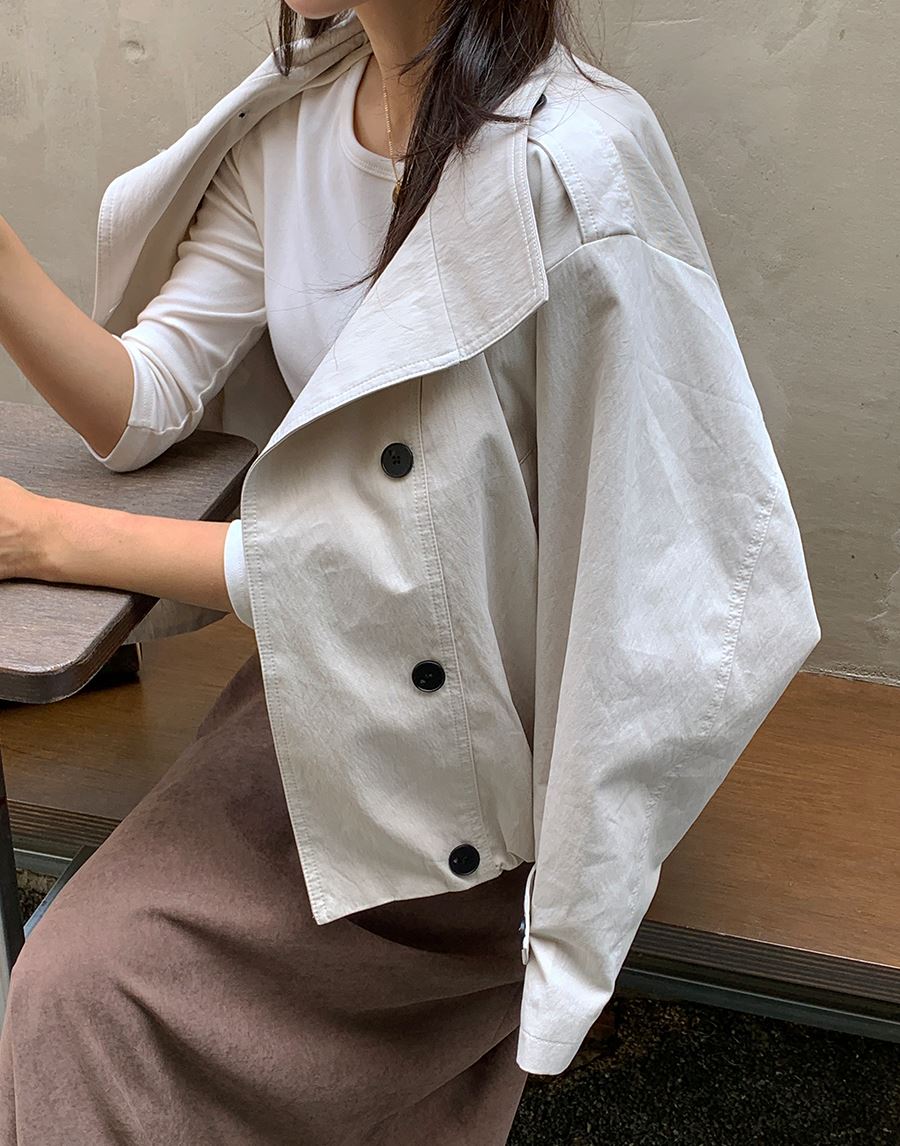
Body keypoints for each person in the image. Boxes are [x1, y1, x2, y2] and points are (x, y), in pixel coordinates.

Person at [0, 2, 821, 1142]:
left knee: (81, 992)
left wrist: (51, 538)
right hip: (327, 696)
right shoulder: (295, 128)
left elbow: (525, 569)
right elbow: (150, 399)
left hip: (490, 762)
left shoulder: (576, 167)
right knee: (74, 993)